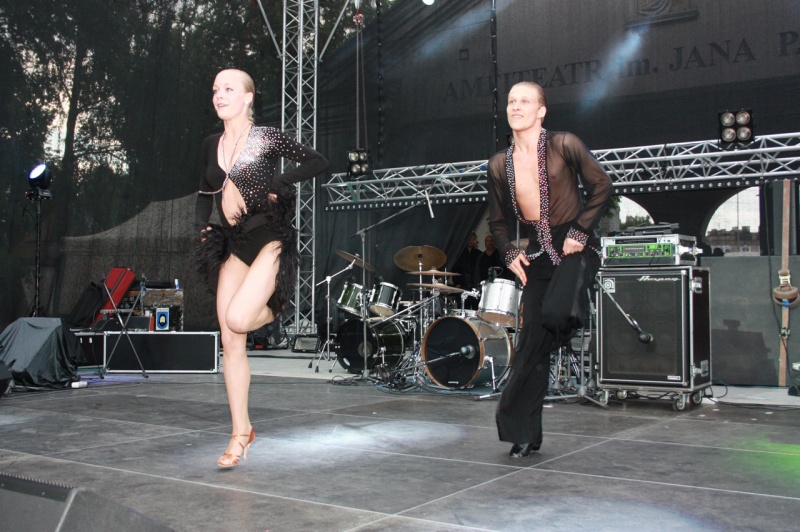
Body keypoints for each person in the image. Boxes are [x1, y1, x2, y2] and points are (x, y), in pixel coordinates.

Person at [195, 69, 328, 468]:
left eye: (228, 89)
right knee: (230, 338)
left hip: (269, 236)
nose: (219, 95)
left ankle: (274, 309)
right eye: (215, 89)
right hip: (234, 243)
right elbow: (204, 191)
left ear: (248, 97)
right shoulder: (211, 143)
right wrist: (202, 227)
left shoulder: (265, 136)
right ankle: (241, 433)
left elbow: (318, 160)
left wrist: (281, 181)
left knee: (238, 319)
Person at [487, 81, 611, 457]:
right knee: (529, 350)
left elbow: (601, 184)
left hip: (575, 247)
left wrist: (580, 230)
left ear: (541, 111)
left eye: (525, 101)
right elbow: (497, 221)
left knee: (556, 312)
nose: (516, 106)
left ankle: (568, 317)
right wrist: (508, 252)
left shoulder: (564, 144)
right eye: (511, 101)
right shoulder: (499, 164)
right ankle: (525, 433)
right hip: (538, 255)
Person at [453, 232, 481, 309]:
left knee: (476, 309)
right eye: (469, 239)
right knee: (463, 309)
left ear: (476, 241)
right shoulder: (459, 254)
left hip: (475, 286)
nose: (470, 241)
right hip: (462, 285)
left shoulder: (479, 254)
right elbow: (455, 269)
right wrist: (457, 283)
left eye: (473, 239)